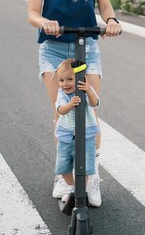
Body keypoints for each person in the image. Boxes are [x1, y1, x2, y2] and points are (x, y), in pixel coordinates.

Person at [27, 0, 122, 206]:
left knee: (90, 114)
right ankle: (64, 177)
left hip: (86, 48)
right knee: (63, 114)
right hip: (55, 51)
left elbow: (105, 5)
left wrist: (112, 20)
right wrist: (44, 22)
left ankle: (91, 179)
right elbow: (31, 12)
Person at [54, 59, 100, 201]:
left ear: (80, 79)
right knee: (62, 167)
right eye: (61, 80)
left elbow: (95, 103)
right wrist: (70, 104)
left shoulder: (85, 91)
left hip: (86, 136)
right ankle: (72, 186)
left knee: (85, 167)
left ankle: (81, 190)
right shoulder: (62, 94)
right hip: (66, 136)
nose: (65, 84)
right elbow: (60, 110)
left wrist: (88, 91)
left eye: (69, 79)